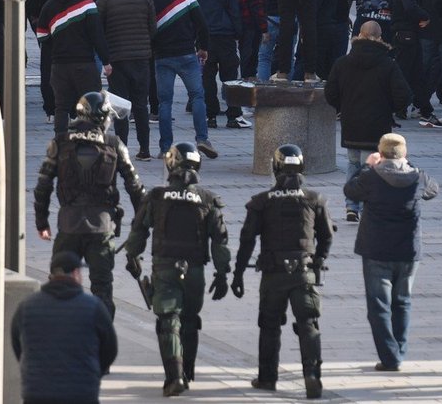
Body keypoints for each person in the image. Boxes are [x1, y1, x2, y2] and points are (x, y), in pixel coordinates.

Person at [125, 142, 231, 396]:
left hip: (165, 267)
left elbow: (139, 230)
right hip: (194, 270)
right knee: (190, 320)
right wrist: (223, 273)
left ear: (170, 163)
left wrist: (132, 256)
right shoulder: (207, 199)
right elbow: (219, 240)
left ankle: (175, 377)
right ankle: (189, 372)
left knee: (168, 321)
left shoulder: (156, 197)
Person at [232, 144, 334, 398]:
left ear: (275, 168)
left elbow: (247, 240)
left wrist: (237, 274)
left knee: (269, 326)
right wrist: (319, 259)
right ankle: (311, 375)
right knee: (308, 324)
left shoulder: (262, 202)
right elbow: (327, 235)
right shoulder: (314, 199)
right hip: (304, 272)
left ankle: (267, 378)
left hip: (273, 274)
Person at [33, 92, 146, 317]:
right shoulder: (114, 144)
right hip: (101, 228)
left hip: (68, 226)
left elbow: (43, 185)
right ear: (103, 118)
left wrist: (41, 222)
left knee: (59, 286)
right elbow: (135, 187)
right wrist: (141, 222)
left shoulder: (60, 142)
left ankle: (62, 340)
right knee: (102, 290)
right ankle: (100, 344)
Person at [343, 133, 439, 371]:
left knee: (379, 307)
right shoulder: (417, 177)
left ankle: (390, 357)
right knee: (402, 303)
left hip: (376, 250)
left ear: (380, 152)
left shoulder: (371, 177)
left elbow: (350, 190)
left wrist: (367, 166)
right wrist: (409, 164)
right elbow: (433, 190)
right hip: (408, 251)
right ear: (404, 153)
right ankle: (399, 351)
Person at [325, 20, 412, 222]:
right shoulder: (388, 64)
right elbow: (404, 95)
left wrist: (342, 108)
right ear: (380, 38)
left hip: (351, 124)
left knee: (353, 164)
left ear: (359, 35)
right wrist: (389, 108)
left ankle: (351, 206)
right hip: (376, 125)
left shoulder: (343, 63)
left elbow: (330, 93)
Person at [11, 251, 118, 404]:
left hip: (37, 394)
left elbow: (17, 345)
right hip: (81, 393)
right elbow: (110, 349)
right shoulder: (93, 307)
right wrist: (93, 372)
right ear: (75, 273)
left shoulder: (27, 306)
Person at [150, 0, 218, 159]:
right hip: (187, 54)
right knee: (197, 96)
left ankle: (165, 148)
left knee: (165, 102)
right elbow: (202, 26)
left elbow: (149, 29)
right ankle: (202, 139)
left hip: (162, 56)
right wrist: (203, 48)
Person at [35, 0, 111, 135]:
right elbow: (97, 37)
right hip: (84, 64)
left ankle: (60, 142)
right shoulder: (88, 5)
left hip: (60, 65)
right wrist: (106, 61)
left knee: (60, 107)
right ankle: (89, 140)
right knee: (90, 105)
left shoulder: (50, 5)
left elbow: (42, 36)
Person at [97, 0, 157, 159]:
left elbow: (100, 31)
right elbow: (152, 28)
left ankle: (121, 148)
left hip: (117, 58)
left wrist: (105, 58)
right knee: (141, 104)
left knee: (120, 105)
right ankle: (145, 149)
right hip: (141, 57)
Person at [189, 0, 249, 129]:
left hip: (204, 37)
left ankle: (211, 116)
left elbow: (192, 13)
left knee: (207, 76)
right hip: (225, 35)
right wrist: (238, 33)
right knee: (230, 76)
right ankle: (233, 115)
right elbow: (234, 11)